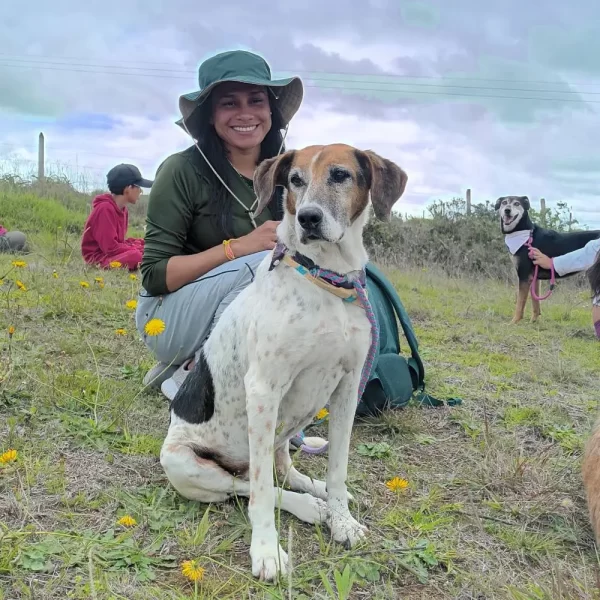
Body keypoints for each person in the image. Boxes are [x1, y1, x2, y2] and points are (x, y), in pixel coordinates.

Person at [135, 49, 304, 402]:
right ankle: (200, 379)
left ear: (270, 109)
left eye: (256, 100)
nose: (245, 114)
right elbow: (154, 275)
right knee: (262, 262)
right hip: (167, 317)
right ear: (211, 115)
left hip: (252, 311)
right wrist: (238, 247)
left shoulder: (290, 173)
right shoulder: (181, 170)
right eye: (229, 103)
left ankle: (187, 366)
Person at [81, 164, 152, 271]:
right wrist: (136, 250)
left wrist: (141, 246)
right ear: (128, 189)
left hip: (110, 253)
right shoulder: (105, 209)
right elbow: (110, 248)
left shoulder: (123, 210)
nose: (140, 191)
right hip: (98, 258)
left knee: (145, 245)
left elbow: (119, 242)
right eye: (138, 187)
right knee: (136, 256)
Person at [530, 238, 600, 338]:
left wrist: (552, 263)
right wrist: (552, 263)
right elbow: (583, 255)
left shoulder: (595, 247)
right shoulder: (595, 247)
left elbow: (585, 255)